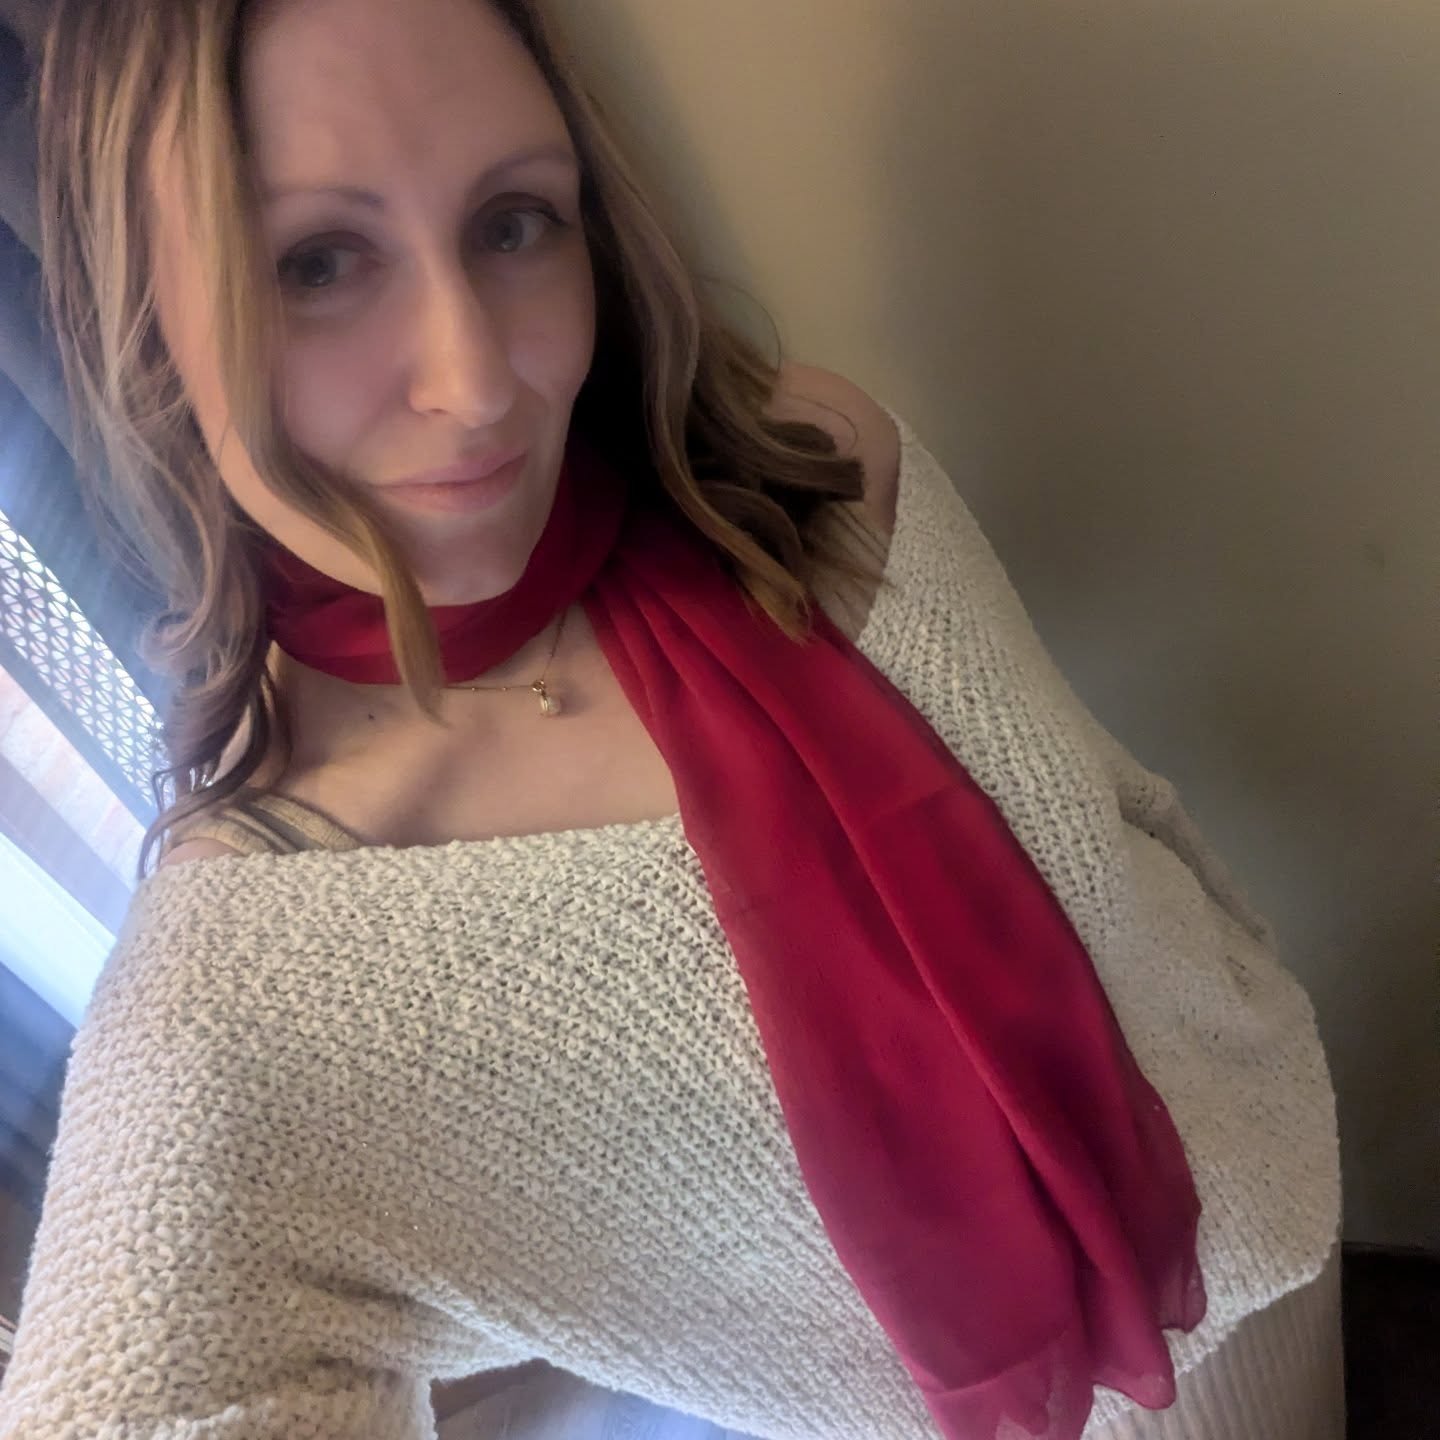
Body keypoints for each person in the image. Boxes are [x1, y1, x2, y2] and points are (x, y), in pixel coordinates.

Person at [0, 0, 1343, 1437]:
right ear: (147, 324)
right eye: (315, 263)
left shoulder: (819, 480)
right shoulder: (236, 999)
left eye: (515, 222)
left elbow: (1106, 818)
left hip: (1298, 1231)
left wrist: (1238, 974)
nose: (476, 383)